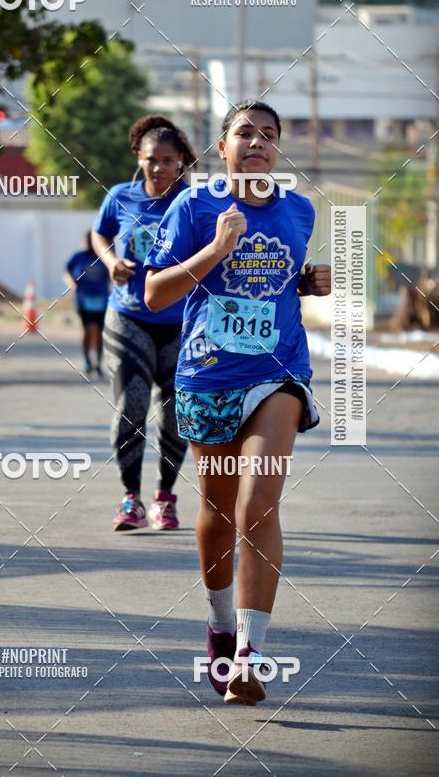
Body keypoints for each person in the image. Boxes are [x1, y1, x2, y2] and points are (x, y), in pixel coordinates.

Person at [144, 100, 331, 703]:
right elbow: (154, 293)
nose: (258, 142)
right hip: (206, 376)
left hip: (278, 374)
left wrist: (307, 282)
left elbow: (278, 277)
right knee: (219, 512)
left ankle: (251, 651)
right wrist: (217, 251)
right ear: (221, 148)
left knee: (257, 502)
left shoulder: (298, 210)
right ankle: (221, 622)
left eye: (270, 135)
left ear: (279, 151)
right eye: (245, 133)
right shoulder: (195, 207)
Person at [92, 115, 197, 531]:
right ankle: (130, 499)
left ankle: (165, 498)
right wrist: (111, 260)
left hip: (180, 322)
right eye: (152, 159)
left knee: (174, 414)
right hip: (128, 315)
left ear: (181, 162)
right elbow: (99, 234)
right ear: (139, 156)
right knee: (131, 404)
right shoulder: (120, 197)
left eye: (168, 160)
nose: (158, 168)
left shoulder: (192, 203)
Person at [65, 231, 110, 377]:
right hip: (84, 300)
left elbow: (112, 274)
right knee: (87, 330)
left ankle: (98, 362)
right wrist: (72, 284)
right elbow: (67, 272)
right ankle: (87, 361)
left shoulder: (104, 256)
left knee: (99, 332)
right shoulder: (78, 257)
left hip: (102, 300)